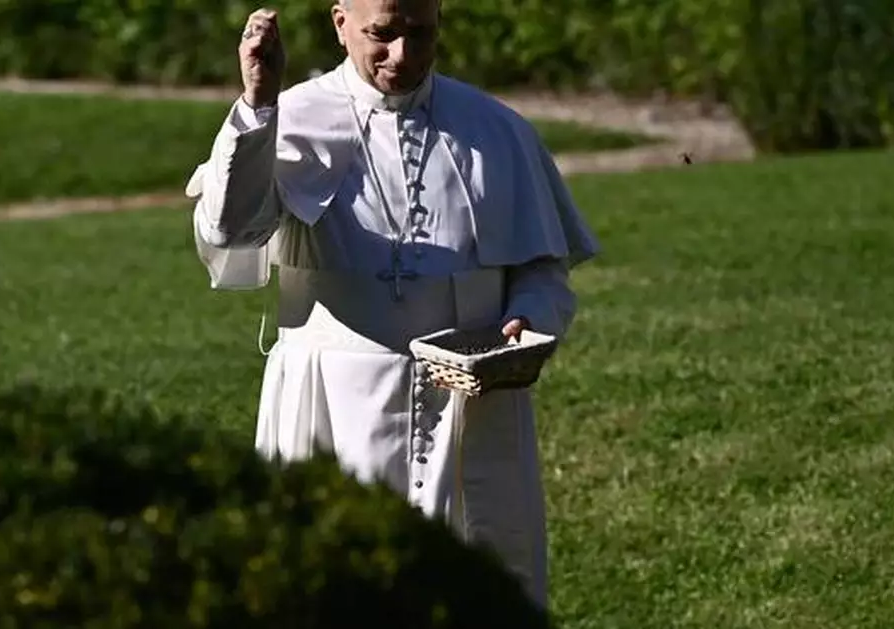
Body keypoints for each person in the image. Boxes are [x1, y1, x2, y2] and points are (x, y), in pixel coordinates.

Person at [185, 0, 598, 608]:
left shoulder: (495, 129)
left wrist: (532, 319)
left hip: (471, 407)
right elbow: (230, 229)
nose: (402, 55)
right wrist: (258, 105)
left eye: (421, 34)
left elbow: (543, 267)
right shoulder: (291, 117)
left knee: (472, 585)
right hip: (334, 402)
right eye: (382, 34)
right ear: (340, 22)